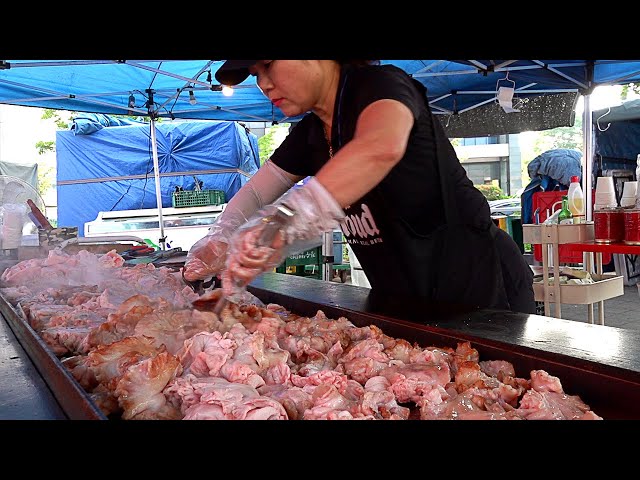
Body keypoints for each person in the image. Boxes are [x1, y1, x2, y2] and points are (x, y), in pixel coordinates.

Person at [183, 60, 535, 314]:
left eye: (268, 65)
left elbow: (380, 146)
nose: (263, 84)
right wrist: (222, 234)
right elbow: (258, 193)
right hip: (401, 297)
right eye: (256, 74)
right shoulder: (310, 133)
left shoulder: (380, 86)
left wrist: (284, 223)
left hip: (481, 293)